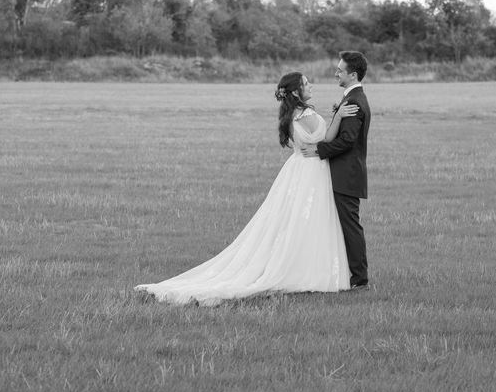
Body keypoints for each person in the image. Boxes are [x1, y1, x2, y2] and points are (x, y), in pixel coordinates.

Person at [135, 72, 359, 306]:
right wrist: (339, 117)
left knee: (292, 219)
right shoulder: (308, 114)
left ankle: (301, 264)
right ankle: (307, 270)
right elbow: (327, 141)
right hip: (311, 169)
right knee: (309, 219)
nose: (310, 85)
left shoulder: (290, 114)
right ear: (296, 92)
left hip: (297, 168)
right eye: (305, 83)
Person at [301, 51, 371, 290]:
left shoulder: (354, 101)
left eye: (340, 70)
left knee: (350, 227)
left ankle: (360, 280)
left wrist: (320, 150)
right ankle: (347, 275)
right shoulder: (351, 98)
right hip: (345, 173)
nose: (336, 73)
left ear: (352, 75)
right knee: (346, 225)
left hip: (346, 175)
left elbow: (348, 140)